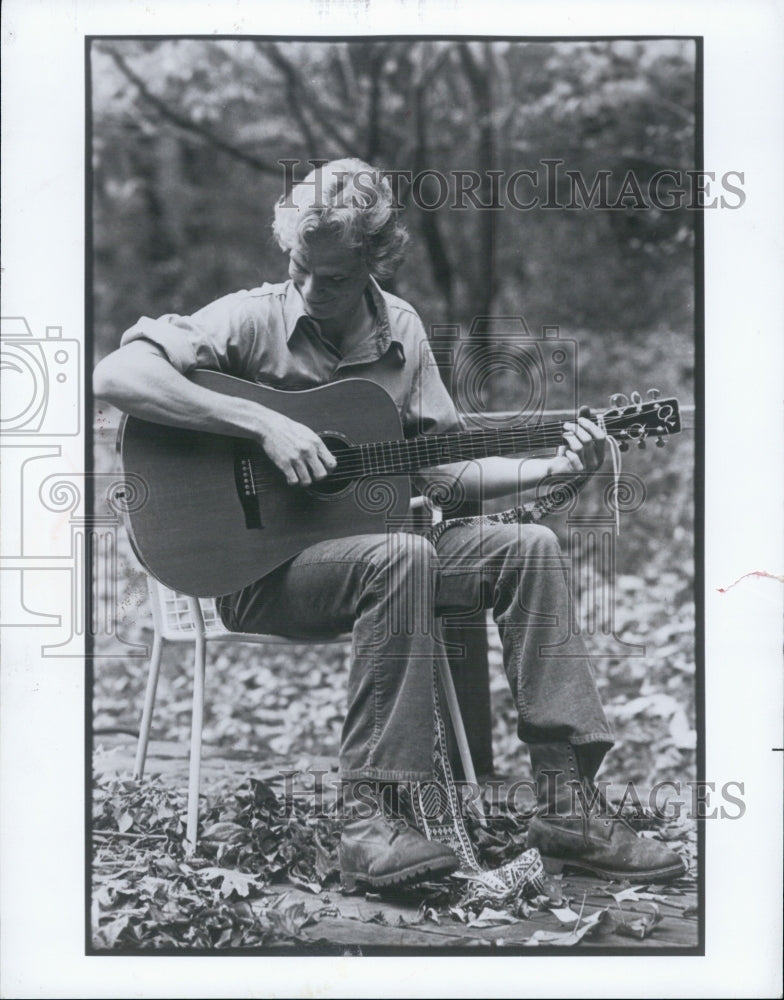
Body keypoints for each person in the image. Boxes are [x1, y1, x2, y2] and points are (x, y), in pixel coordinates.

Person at [94, 158, 685, 889]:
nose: (310, 290)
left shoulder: (400, 330)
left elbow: (445, 471)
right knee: (403, 556)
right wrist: (261, 426)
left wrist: (556, 470)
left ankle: (567, 802)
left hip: (382, 559)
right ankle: (369, 822)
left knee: (527, 547)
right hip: (255, 572)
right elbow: (117, 376)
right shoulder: (251, 317)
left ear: (375, 261)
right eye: (298, 267)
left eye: (334, 279)